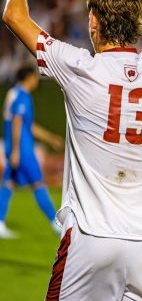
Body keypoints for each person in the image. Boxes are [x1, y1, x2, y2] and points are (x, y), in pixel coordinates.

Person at [3, 0, 142, 300]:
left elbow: (14, 17)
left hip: (91, 239)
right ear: (135, 24)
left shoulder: (79, 68)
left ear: (94, 23)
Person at [0, 65, 63, 239]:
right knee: (38, 184)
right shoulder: (22, 96)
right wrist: (15, 151)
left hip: (15, 148)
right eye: (35, 77)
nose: (37, 80)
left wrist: (50, 138)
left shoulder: (15, 94)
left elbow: (29, 126)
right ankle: (55, 223)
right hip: (23, 150)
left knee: (8, 184)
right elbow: (18, 123)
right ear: (28, 78)